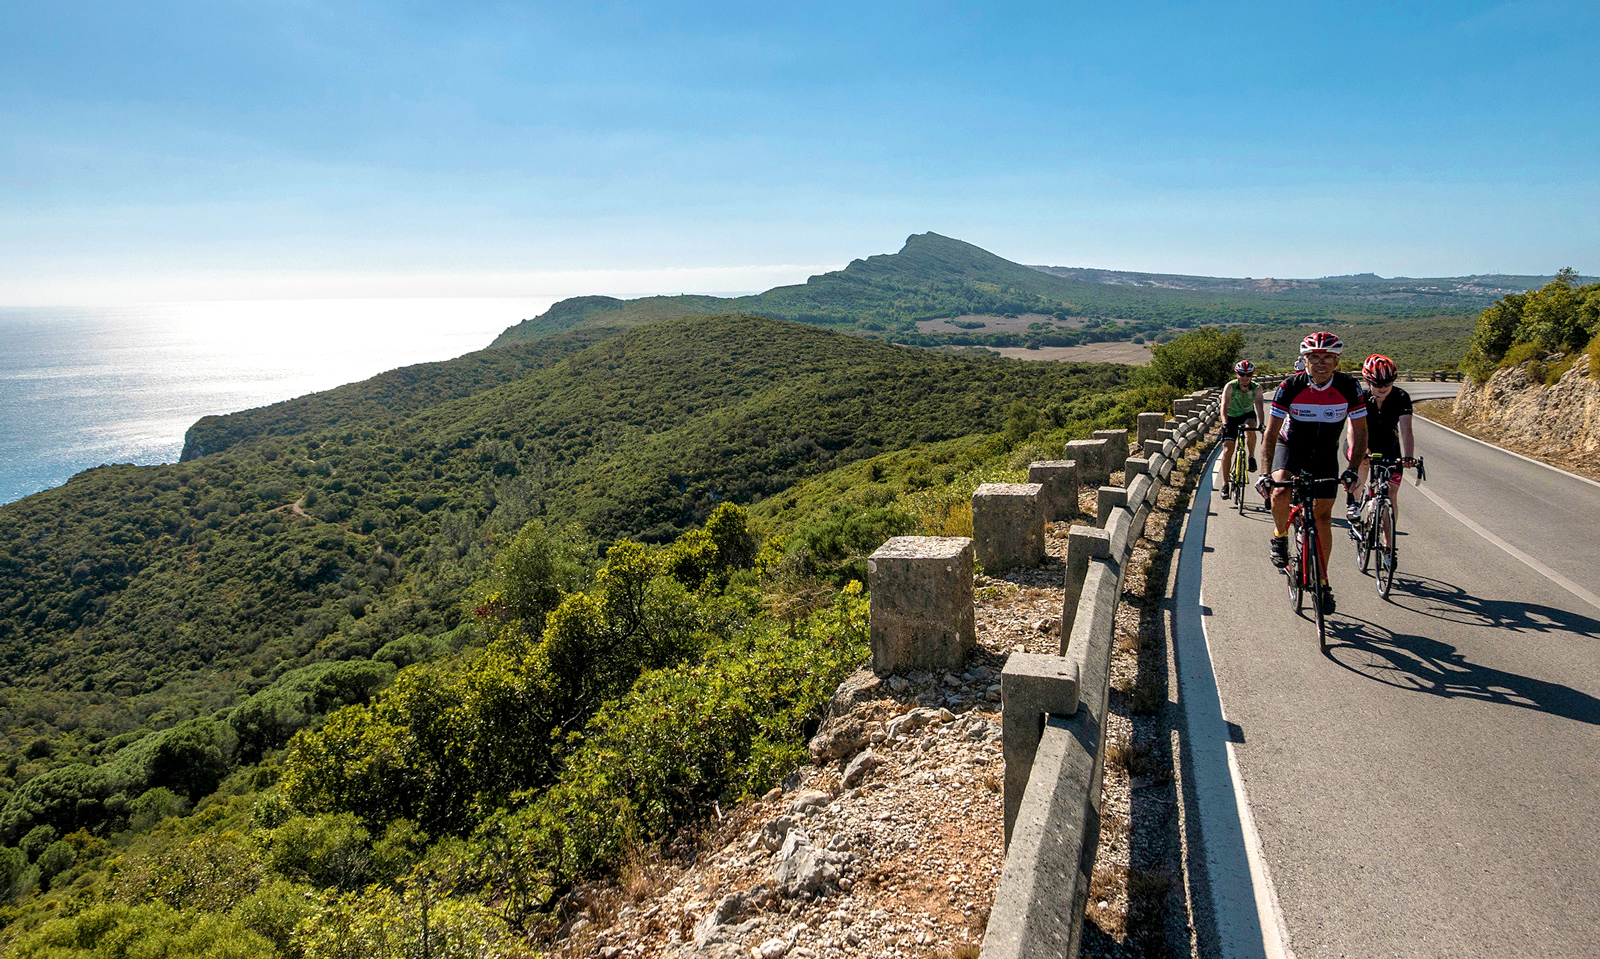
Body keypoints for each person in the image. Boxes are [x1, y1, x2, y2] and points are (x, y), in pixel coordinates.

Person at [1257, 332, 1367, 614]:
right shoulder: (1290, 386)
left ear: (1336, 360)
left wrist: (1353, 469)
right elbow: (1270, 433)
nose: (1321, 363)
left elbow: (1360, 431)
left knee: (1323, 518)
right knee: (1281, 491)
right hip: (1291, 447)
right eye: (1314, 357)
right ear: (1304, 360)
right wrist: (1265, 473)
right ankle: (1280, 535)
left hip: (1326, 454)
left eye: (1327, 357)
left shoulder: (1349, 387)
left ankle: (1322, 580)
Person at [1346, 354, 1416, 528]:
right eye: (1377, 384)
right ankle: (1353, 503)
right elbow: (1351, 430)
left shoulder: (1401, 396)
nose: (1383, 388)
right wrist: (1361, 451)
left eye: (1388, 383)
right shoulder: (1359, 398)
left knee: (1391, 496)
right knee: (1362, 464)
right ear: (1368, 381)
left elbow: (1406, 429)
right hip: (1360, 441)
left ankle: (1388, 550)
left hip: (1388, 444)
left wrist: (1408, 456)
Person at [1218, 359, 1266, 498]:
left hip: (1247, 414)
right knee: (1228, 449)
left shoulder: (1256, 387)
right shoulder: (1230, 386)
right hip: (1231, 417)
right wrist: (1224, 422)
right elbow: (1224, 406)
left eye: (1248, 374)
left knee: (1251, 427)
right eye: (1242, 374)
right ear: (1237, 374)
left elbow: (1259, 406)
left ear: (1252, 375)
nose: (1245, 378)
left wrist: (1262, 424)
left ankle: (1251, 457)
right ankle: (1225, 484)